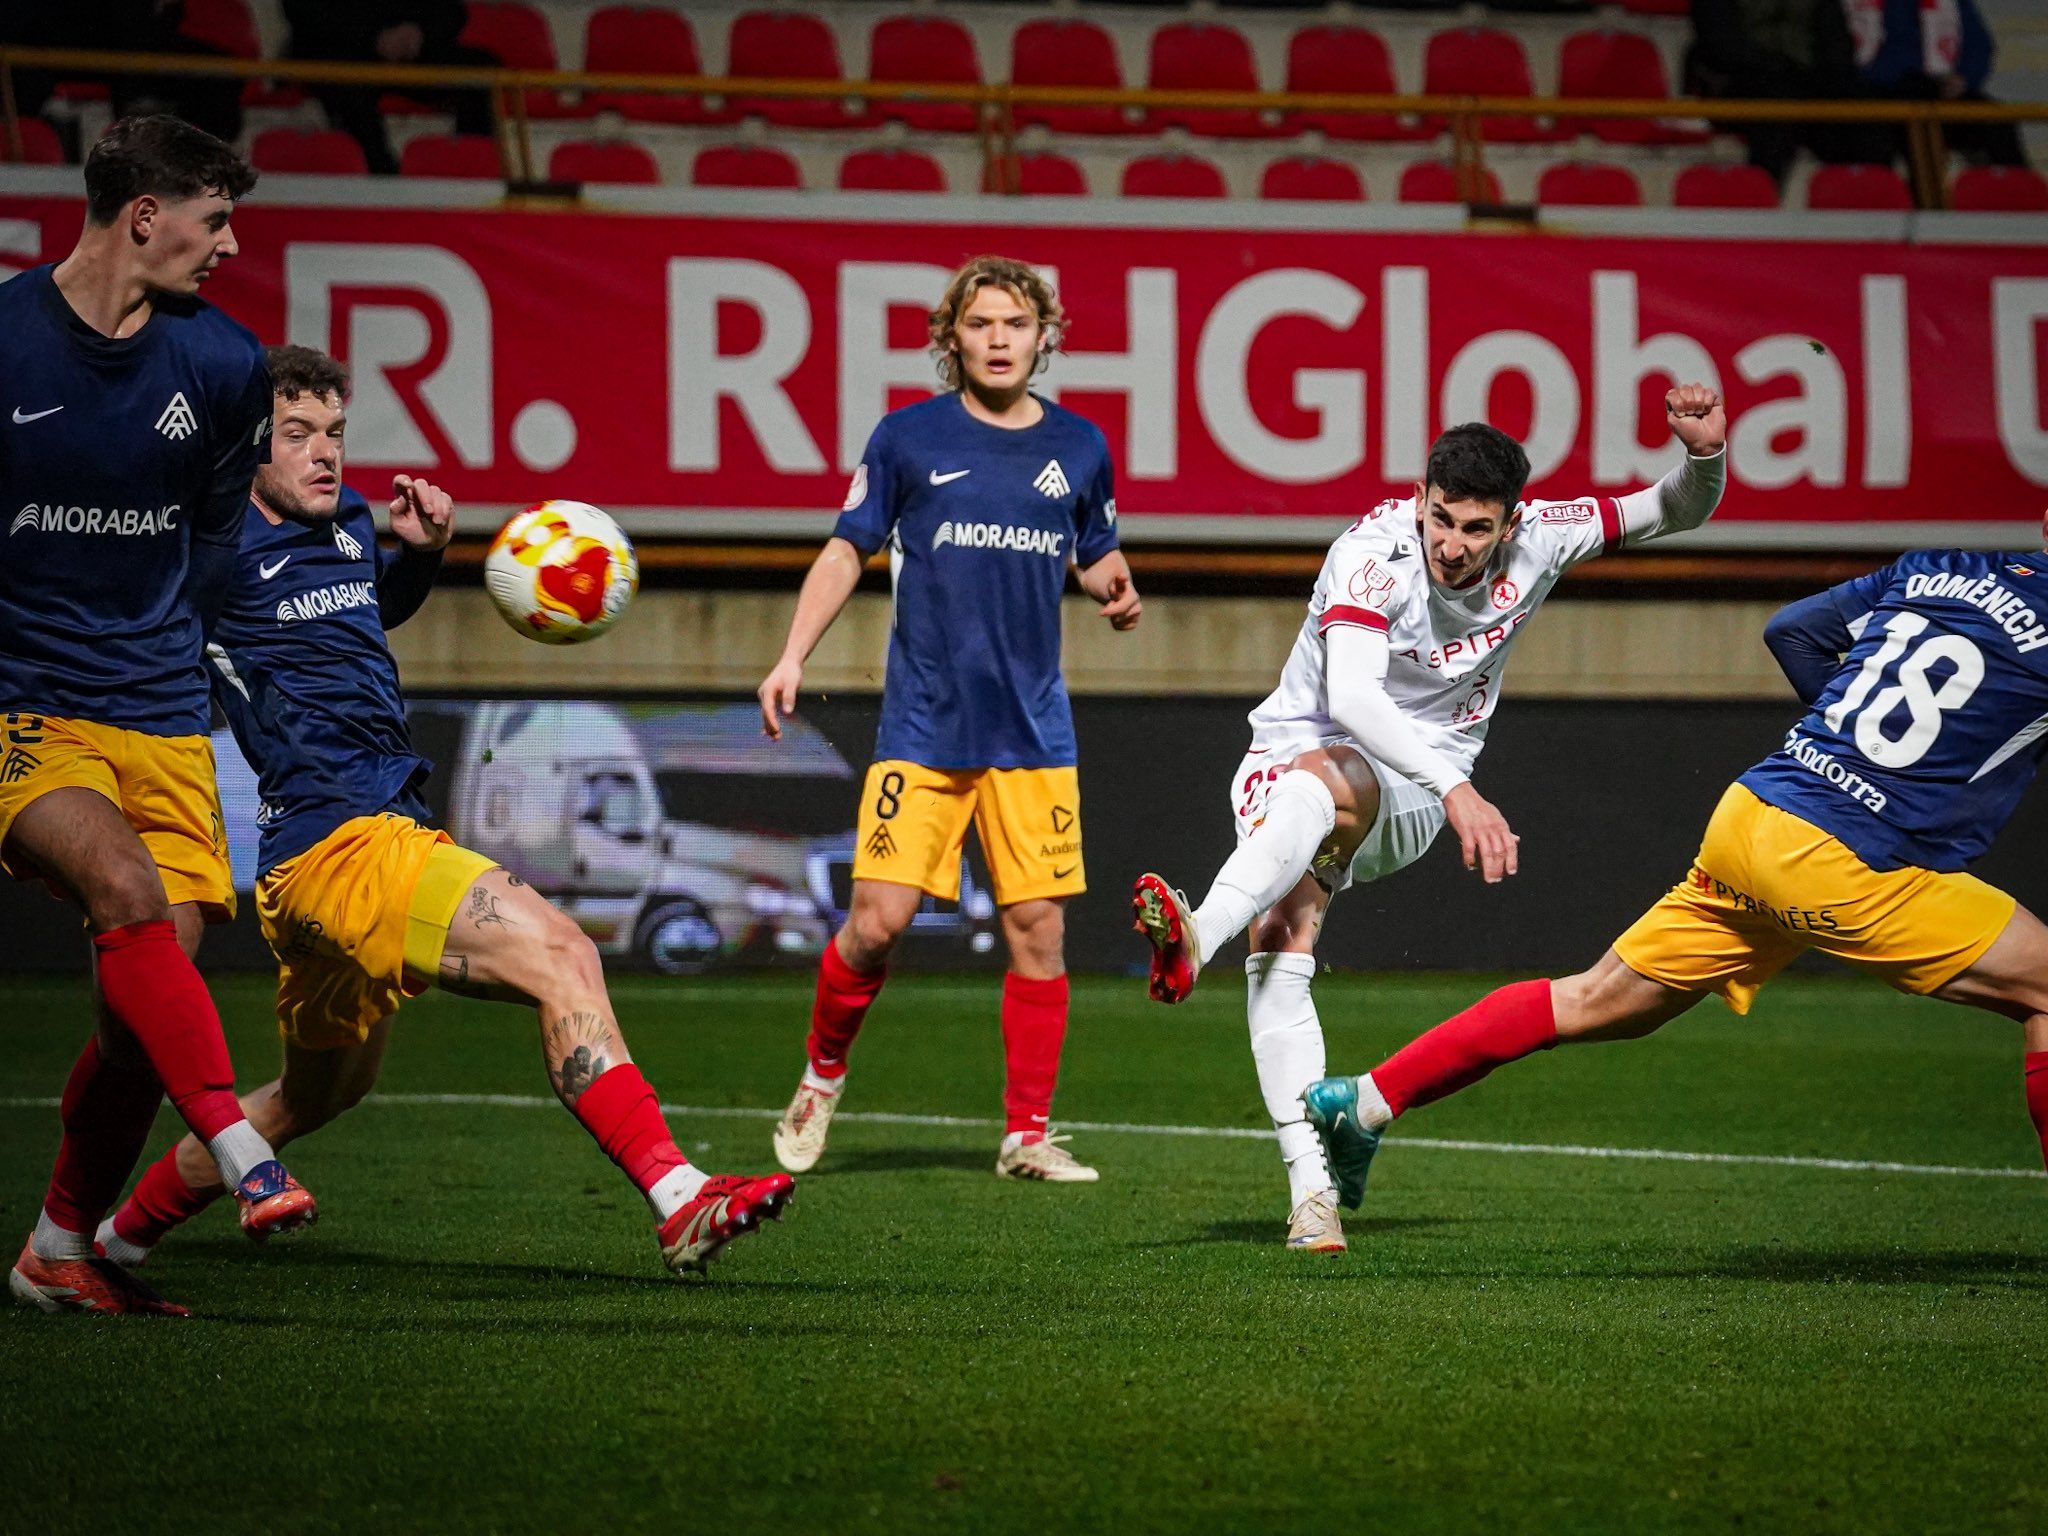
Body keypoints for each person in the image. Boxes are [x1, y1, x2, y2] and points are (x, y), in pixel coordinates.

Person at [97, 346, 795, 1278]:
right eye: (295, 434)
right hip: (344, 843)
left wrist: (418, 561)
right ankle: (678, 1196)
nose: (324, 455)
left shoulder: (345, 523)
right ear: (245, 445)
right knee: (565, 954)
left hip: (328, 861)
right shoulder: (210, 550)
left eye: (335, 434)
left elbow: (357, 615)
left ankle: (111, 1241)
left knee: (316, 1097)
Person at [1133, 389, 1729, 1253]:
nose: (1451, 545)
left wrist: (1705, 456)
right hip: (1304, 759)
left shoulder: (1547, 536)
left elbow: (1672, 508)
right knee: (1285, 935)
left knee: (1324, 787)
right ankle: (1313, 1196)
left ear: (1511, 525)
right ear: (1419, 498)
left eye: (1475, 530)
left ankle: (1196, 937)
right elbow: (1352, 698)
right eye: (1440, 519)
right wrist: (1462, 793)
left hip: (1408, 793)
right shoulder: (1372, 554)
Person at [1304, 516, 2048, 1205]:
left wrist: (1846, 755)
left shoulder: (1934, 568)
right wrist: (1884, 782)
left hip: (1757, 815)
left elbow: (1793, 632)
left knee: (1598, 1002)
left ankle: (1365, 1102)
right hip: (1841, 856)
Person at [3, 116, 315, 1317]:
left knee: (144, 1005)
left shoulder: (226, 367)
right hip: (26, 705)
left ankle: (55, 1247)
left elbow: (218, 533)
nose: (230, 243)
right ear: (145, 214)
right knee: (127, 896)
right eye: (215, 217)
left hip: (163, 712)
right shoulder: (7, 342)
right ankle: (246, 1153)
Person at [757, 255, 1141, 1183]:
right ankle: (820, 1075)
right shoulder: (906, 440)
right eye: (981, 324)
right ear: (951, 339)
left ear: (1044, 337)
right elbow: (847, 551)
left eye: (1016, 323)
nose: (1000, 339)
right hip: (924, 729)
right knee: (878, 924)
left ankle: (1026, 1135)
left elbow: (1094, 549)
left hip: (1032, 733)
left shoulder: (1081, 447)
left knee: (1039, 930)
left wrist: (1111, 588)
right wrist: (792, 653)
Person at [281, 1, 496, 176]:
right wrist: (374, 38)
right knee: (349, 85)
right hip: (340, 50)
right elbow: (302, 13)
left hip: (409, 51)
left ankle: (471, 167)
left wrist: (419, 33)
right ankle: (379, 176)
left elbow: (452, 12)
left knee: (481, 69)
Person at [1843, 0, 2028, 168]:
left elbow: (1979, 44)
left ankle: (2020, 197)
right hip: (1883, 94)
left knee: (1997, 123)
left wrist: (1964, 78)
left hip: (1940, 92)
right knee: (1888, 130)